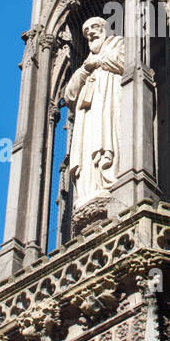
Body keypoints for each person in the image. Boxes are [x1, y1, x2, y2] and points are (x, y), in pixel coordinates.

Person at [64, 16, 126, 208]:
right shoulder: (85, 65)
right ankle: (89, 188)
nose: (90, 32)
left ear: (106, 29)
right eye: (86, 31)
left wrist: (98, 62)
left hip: (109, 105)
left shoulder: (119, 44)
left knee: (107, 141)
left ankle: (110, 179)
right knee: (88, 148)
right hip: (88, 116)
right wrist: (85, 70)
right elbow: (69, 95)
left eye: (95, 27)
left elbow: (125, 63)